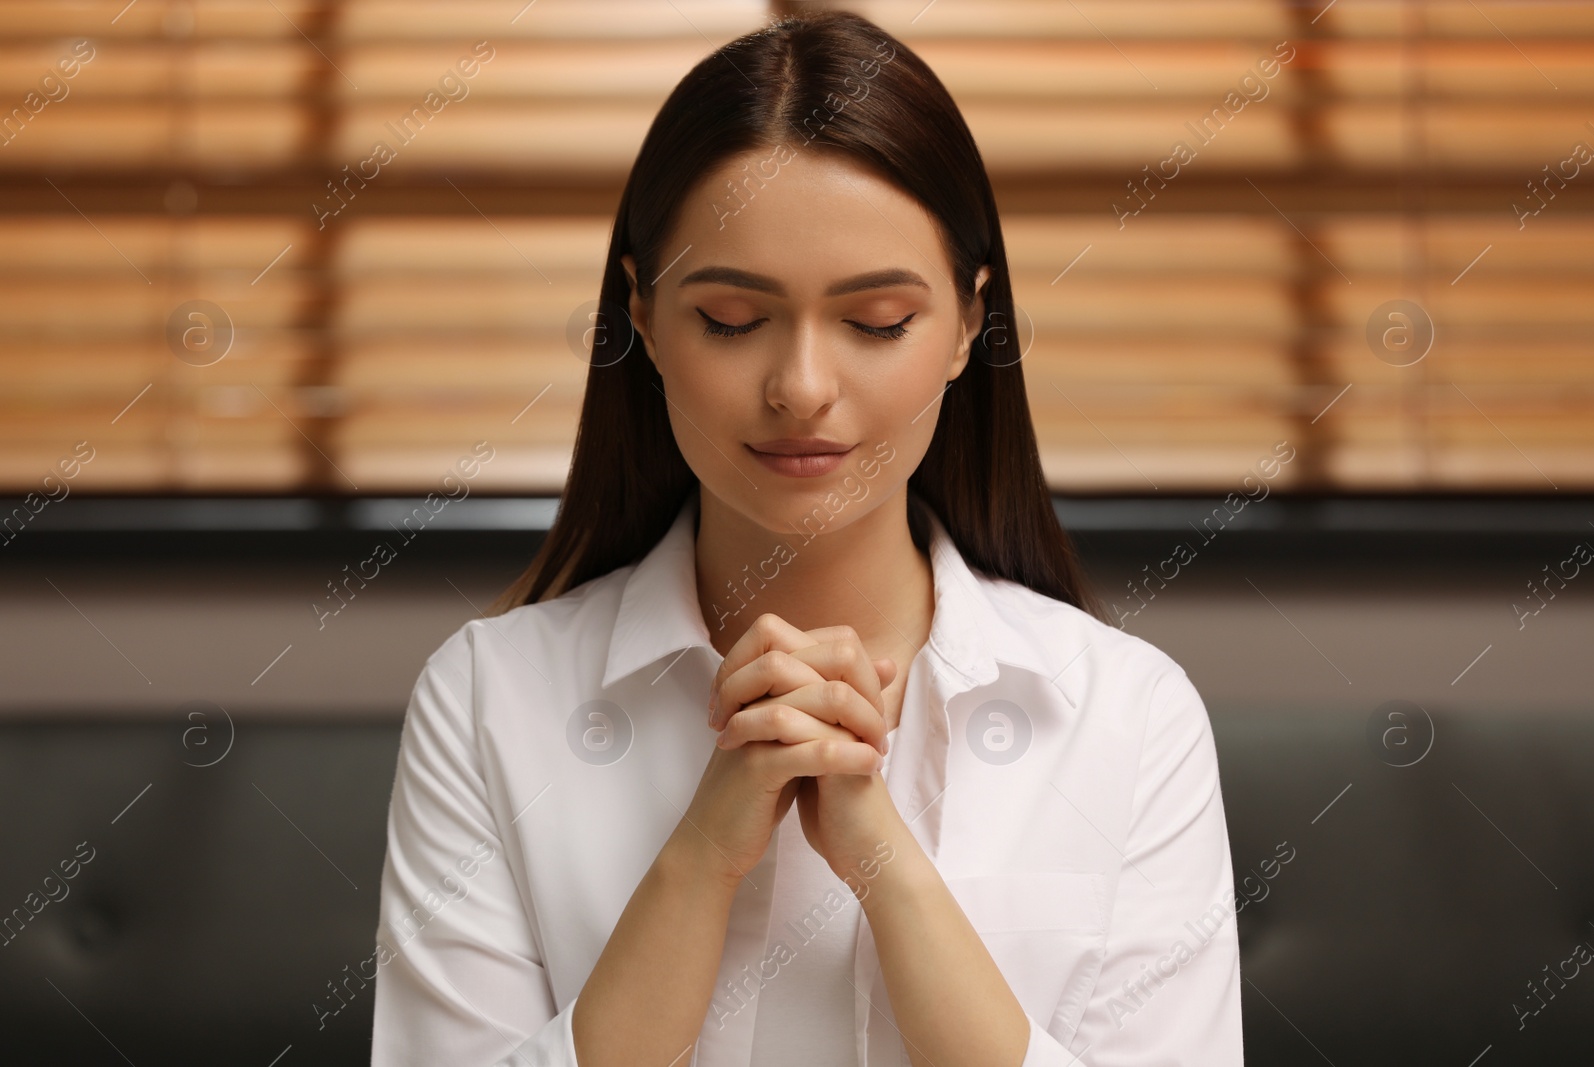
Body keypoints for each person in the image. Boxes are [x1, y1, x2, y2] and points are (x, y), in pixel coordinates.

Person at [371, 10, 1242, 1066]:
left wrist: (883, 860)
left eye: (876, 322)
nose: (801, 388)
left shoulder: (1127, 715)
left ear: (970, 323)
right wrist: (699, 858)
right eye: (732, 321)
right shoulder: (488, 701)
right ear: (641, 316)